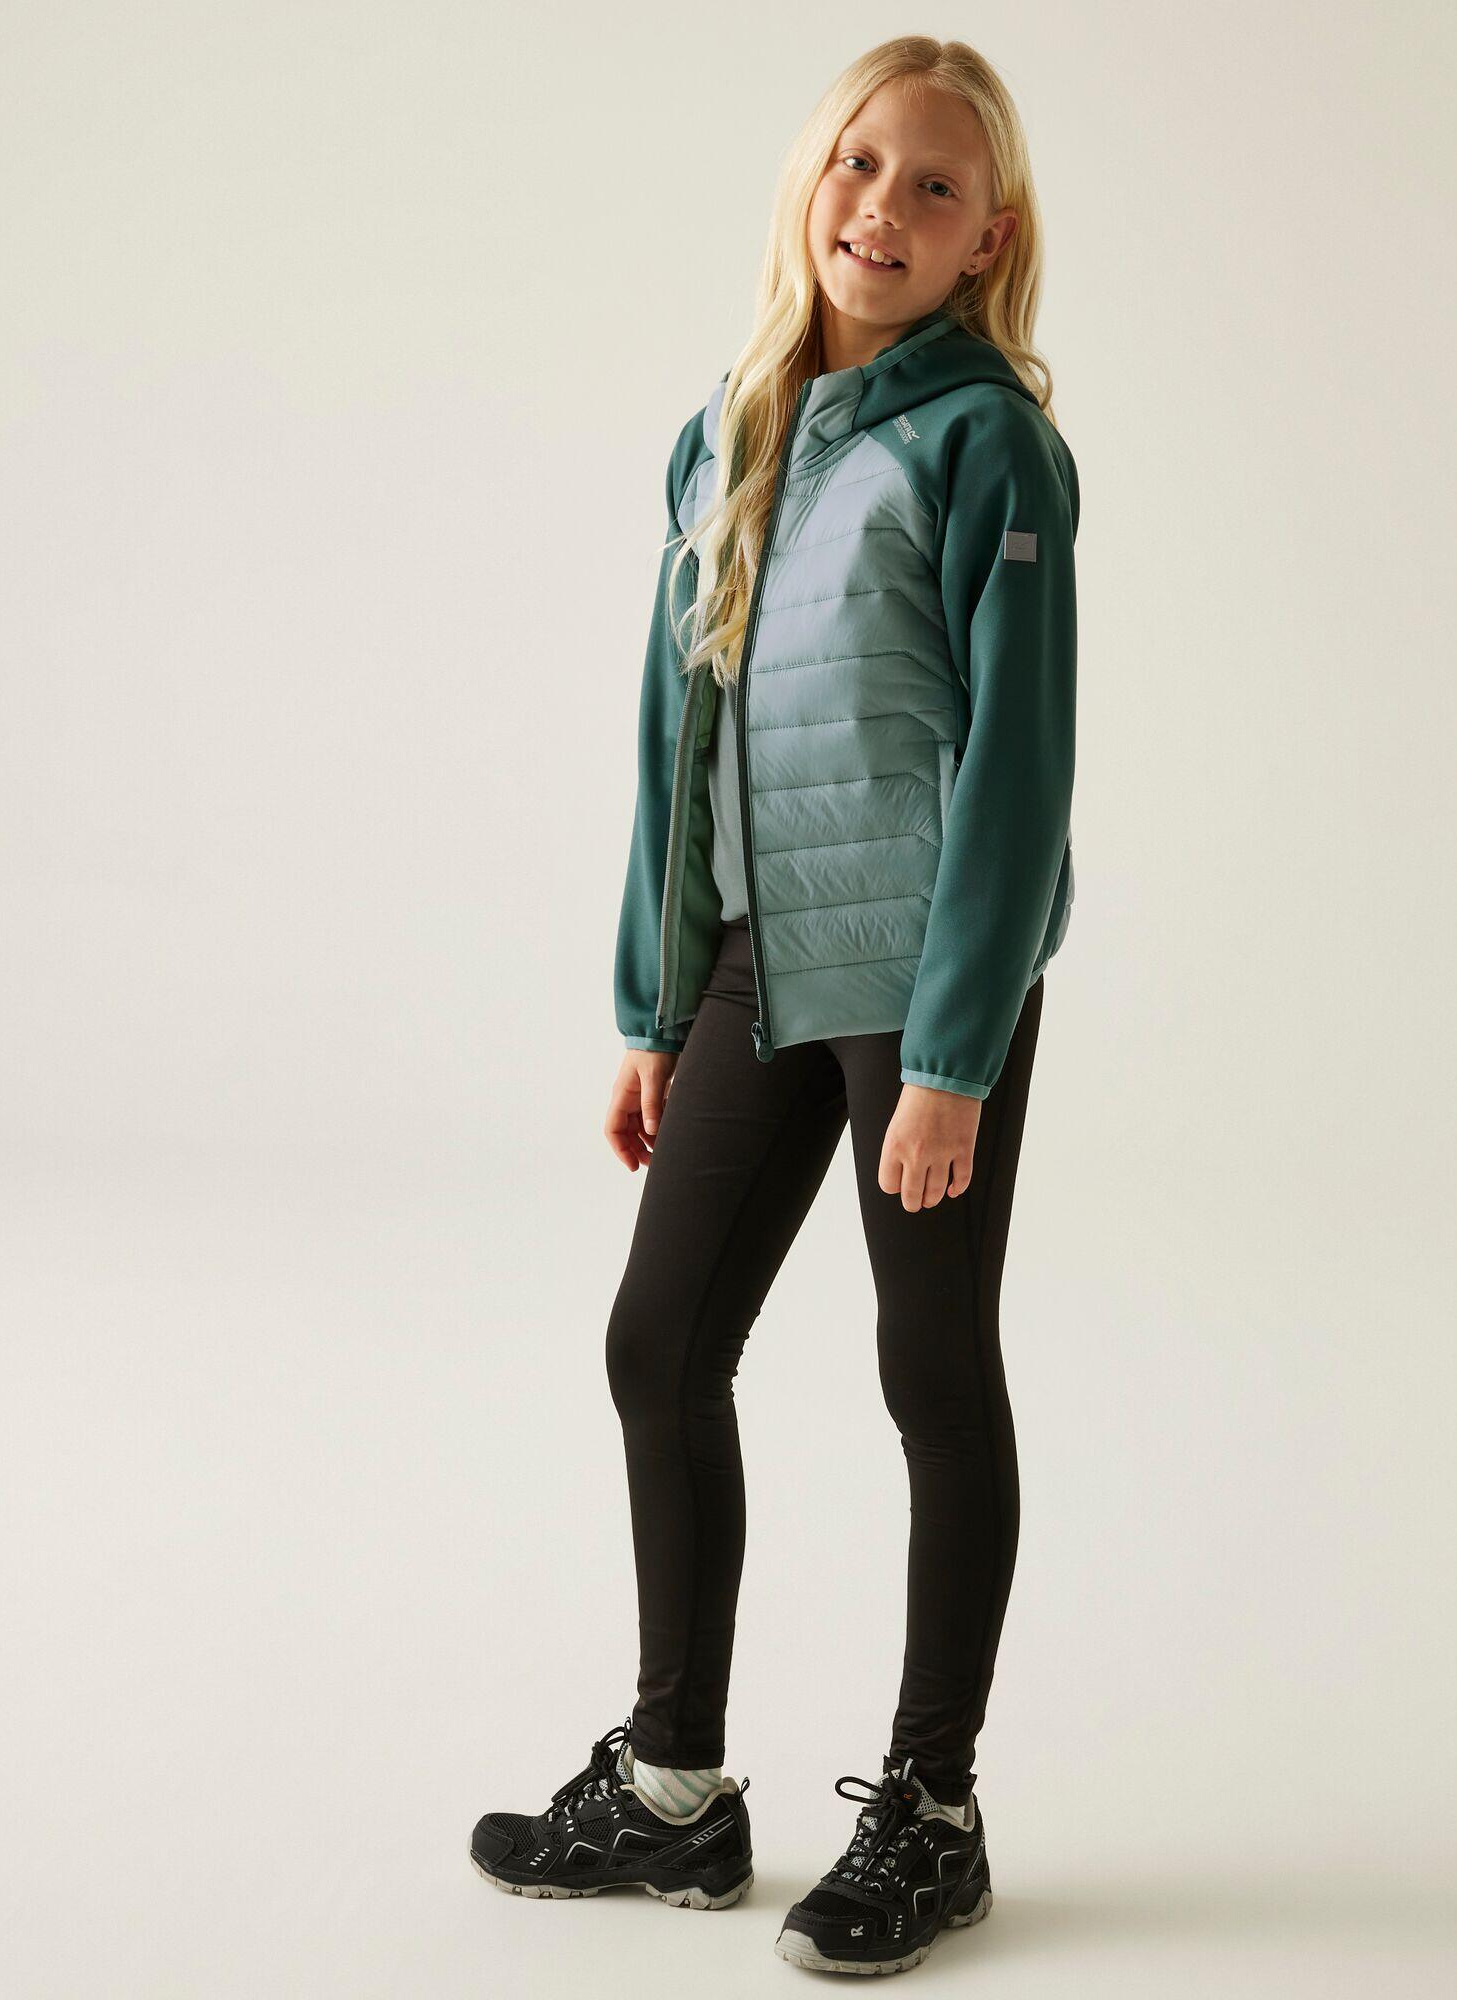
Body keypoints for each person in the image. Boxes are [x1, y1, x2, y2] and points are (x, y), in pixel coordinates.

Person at [469, 33, 1080, 1979]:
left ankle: (934, 1810)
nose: (881, 209)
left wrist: (956, 1052)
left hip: (918, 982)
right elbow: (679, 737)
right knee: (660, 1343)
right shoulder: (725, 437)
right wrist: (657, 1004)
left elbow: (1019, 770)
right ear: (810, 183)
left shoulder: (989, 445)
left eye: (931, 186)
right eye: (857, 164)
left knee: (932, 1374)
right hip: (754, 967)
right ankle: (673, 1790)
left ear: (988, 240)